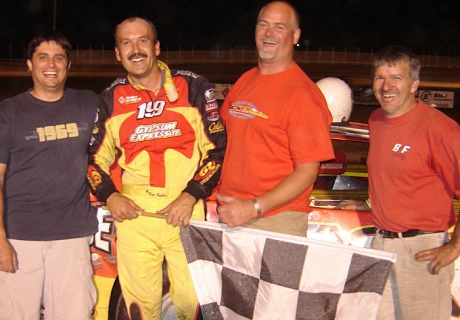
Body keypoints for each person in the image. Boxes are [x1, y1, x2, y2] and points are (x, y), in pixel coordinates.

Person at [87, 16, 226, 319]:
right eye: (126, 42)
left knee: (194, 304)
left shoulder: (193, 86)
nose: (135, 49)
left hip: (187, 211)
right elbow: (92, 161)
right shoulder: (110, 99)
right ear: (117, 52)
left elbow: (216, 150)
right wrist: (112, 197)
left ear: (157, 47)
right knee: (140, 309)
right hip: (135, 216)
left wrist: (189, 196)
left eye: (142, 40)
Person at [0, 31, 98, 319]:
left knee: (75, 314)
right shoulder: (8, 112)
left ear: (69, 65)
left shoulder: (88, 103)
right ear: (29, 64)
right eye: (42, 57)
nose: (51, 64)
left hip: (71, 235)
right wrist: (0, 239)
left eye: (59, 57)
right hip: (20, 238)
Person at [216, 1, 334, 236]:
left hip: (276, 219)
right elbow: (220, 140)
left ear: (295, 35)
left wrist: (254, 207)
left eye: (279, 27)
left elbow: (307, 171)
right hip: (232, 215)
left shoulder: (302, 94)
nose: (269, 33)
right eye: (263, 25)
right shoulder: (245, 81)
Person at [367, 45, 460, 319]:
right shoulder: (375, 120)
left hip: (422, 250)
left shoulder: (440, 129)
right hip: (381, 245)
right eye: (379, 77)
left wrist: (455, 246)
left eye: (396, 77)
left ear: (414, 85)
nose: (386, 86)